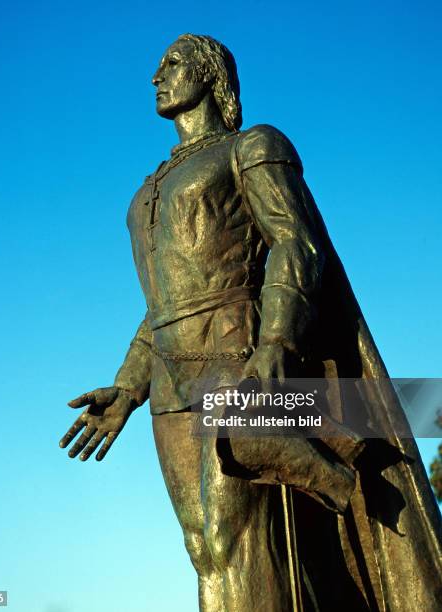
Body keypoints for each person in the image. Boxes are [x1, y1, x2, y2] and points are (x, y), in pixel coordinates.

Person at [60, 34, 442, 611]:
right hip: (170, 387)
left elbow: (294, 243)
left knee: (234, 542)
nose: (156, 75)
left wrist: (278, 341)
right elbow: (164, 301)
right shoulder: (146, 193)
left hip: (241, 364)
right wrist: (129, 386)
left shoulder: (253, 146)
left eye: (173, 63)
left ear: (210, 75)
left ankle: (328, 472)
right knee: (204, 551)